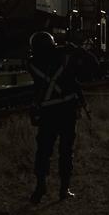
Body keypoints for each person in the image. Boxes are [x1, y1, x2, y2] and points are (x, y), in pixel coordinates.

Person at [28, 31, 89, 203]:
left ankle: (40, 187)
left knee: (43, 151)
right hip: (67, 111)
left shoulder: (32, 63)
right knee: (66, 151)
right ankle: (64, 189)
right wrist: (75, 49)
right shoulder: (64, 58)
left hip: (47, 113)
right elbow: (89, 67)